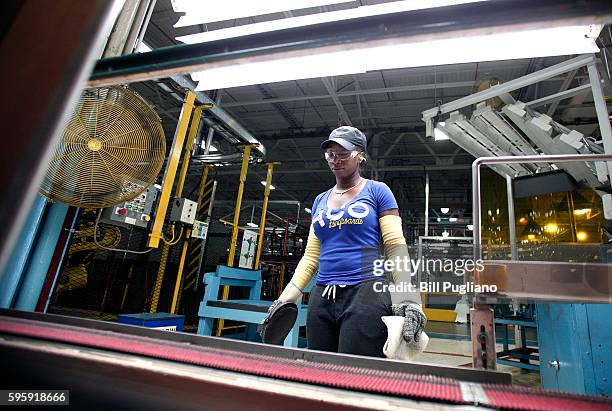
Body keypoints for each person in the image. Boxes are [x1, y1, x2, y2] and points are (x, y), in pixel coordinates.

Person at [267, 126, 426, 357]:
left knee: (355, 372)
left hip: (366, 293)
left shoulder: (378, 191)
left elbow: (395, 246)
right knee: (321, 369)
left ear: (360, 155)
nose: (335, 160)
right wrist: (285, 298)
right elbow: (311, 256)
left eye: (343, 154)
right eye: (331, 154)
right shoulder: (320, 199)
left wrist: (408, 298)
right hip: (321, 296)